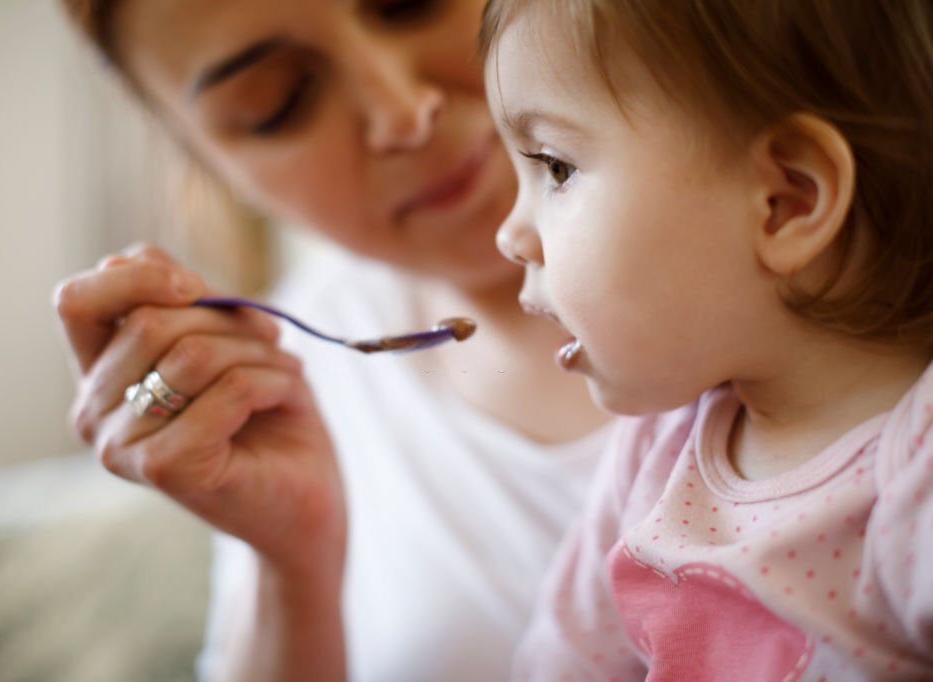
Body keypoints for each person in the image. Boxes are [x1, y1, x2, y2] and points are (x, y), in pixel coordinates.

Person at [53, 1, 612, 681]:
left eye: (413, 2)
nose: (402, 113)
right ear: (216, 170)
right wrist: (291, 567)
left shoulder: (769, 201)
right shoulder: (282, 379)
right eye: (278, 103)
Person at [482, 0, 933, 678]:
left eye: (556, 167)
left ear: (786, 203)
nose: (509, 235)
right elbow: (565, 663)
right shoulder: (659, 447)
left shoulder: (913, 472)